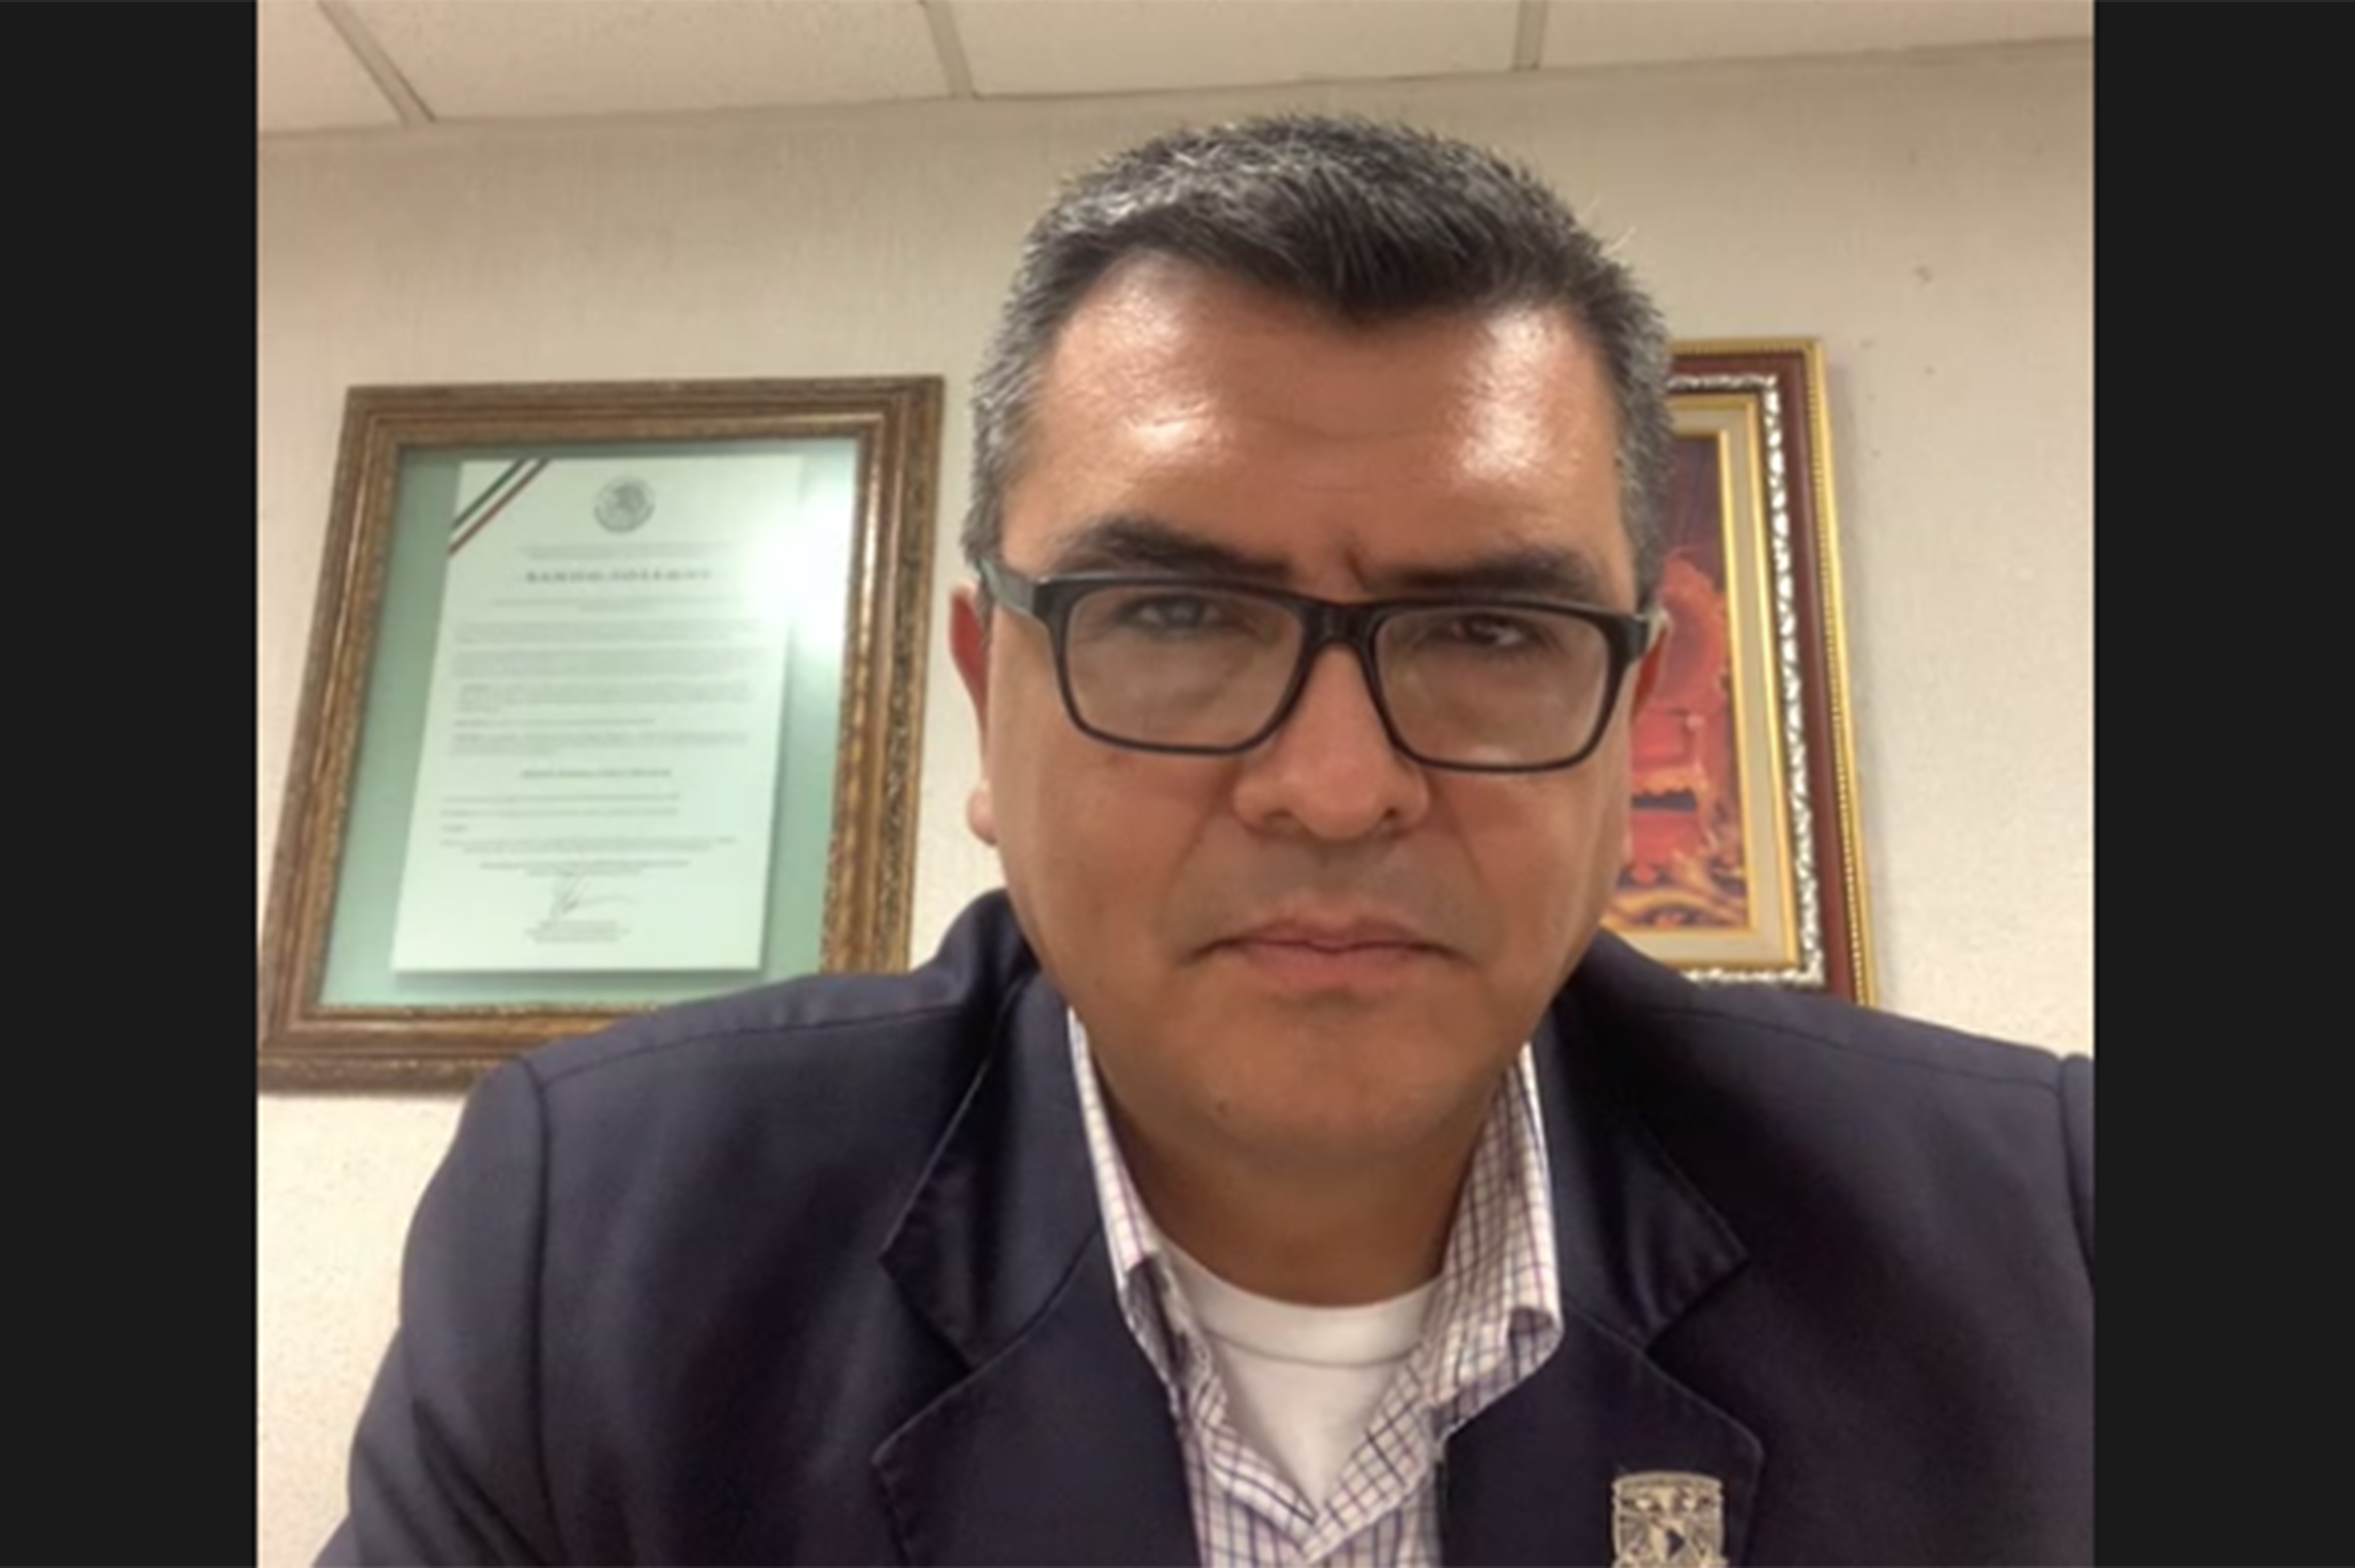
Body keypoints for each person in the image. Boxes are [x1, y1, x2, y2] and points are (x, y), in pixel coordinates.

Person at [320, 116, 2091, 1567]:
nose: (1333, 785)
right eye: (1173, 614)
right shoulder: (606, 1243)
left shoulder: (2042, 1240)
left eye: (1487, 631)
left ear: (1631, 713)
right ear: (990, 700)